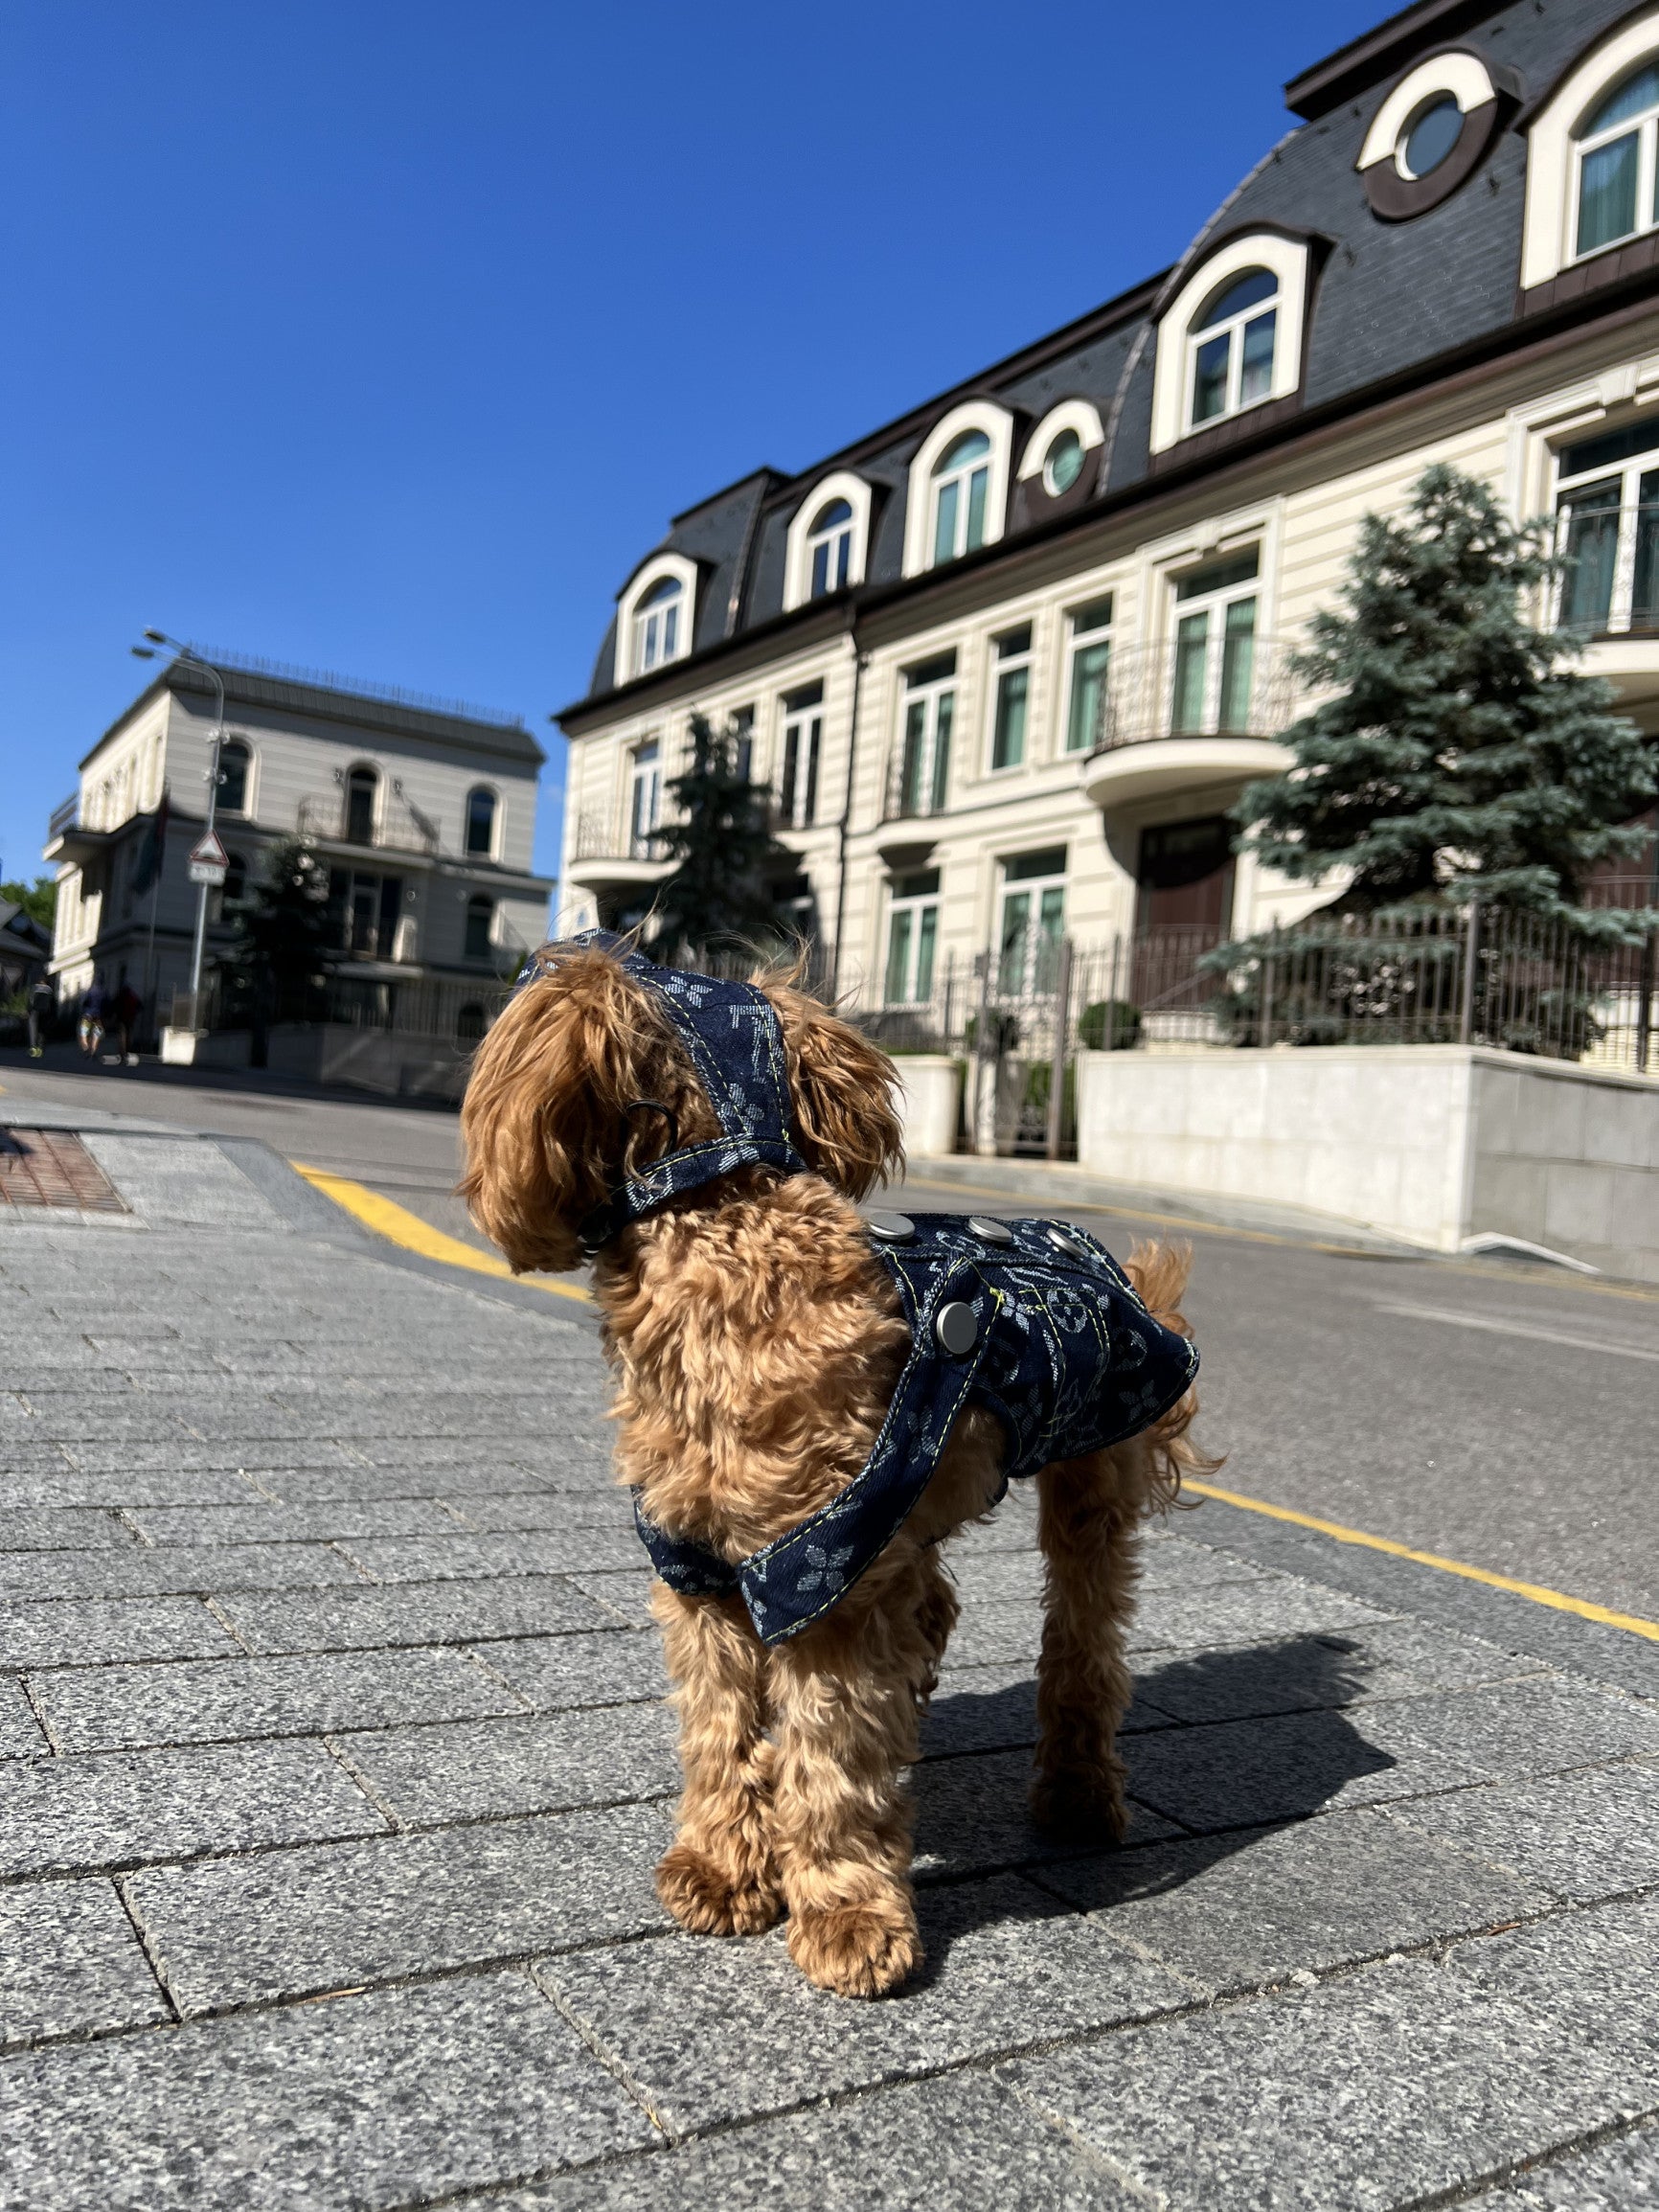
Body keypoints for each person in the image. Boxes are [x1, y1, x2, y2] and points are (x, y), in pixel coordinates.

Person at [112, 979, 143, 1065]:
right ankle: (127, 1051)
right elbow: (140, 1005)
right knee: (129, 1035)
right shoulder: (132, 996)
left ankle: (122, 1053)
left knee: (121, 1036)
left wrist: (114, 1015)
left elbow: (113, 1005)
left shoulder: (120, 995)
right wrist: (135, 1013)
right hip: (130, 1019)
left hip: (121, 1019)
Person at [78, 976, 106, 1060]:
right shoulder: (104, 992)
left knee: (83, 1033)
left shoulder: (89, 991)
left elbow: (84, 1003)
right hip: (98, 1016)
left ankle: (86, 1048)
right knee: (96, 1034)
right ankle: (92, 1051)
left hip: (87, 1015)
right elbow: (107, 1004)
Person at [27, 976, 54, 1059]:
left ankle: (33, 1048)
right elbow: (52, 1004)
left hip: (35, 1011)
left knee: (33, 1030)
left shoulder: (34, 987)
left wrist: (28, 1011)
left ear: (39, 981)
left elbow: (30, 1000)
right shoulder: (49, 990)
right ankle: (40, 1049)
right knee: (42, 1030)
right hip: (45, 1012)